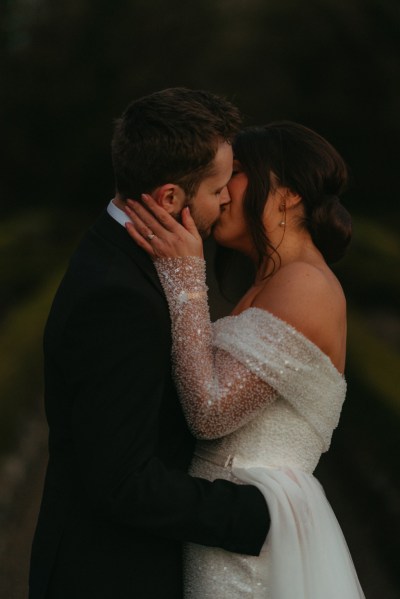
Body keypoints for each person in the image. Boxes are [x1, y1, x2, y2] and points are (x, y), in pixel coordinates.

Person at [28, 88, 271, 599]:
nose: (228, 198)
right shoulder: (120, 298)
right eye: (218, 188)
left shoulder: (120, 253)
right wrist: (260, 515)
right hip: (110, 575)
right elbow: (122, 482)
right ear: (168, 199)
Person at [124, 121, 366, 598]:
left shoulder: (306, 285)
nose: (221, 192)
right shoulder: (273, 283)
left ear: (289, 194)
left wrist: (186, 279)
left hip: (250, 535)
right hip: (226, 523)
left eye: (235, 173)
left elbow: (211, 412)